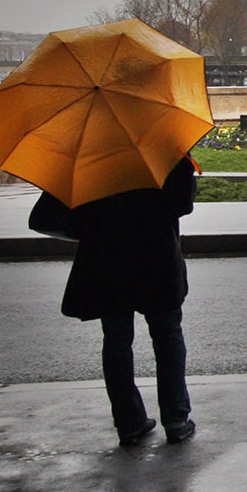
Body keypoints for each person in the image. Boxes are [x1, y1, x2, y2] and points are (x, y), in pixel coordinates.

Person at [30, 157, 200, 447]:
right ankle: (176, 418)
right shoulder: (159, 146)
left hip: (107, 260)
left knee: (117, 341)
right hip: (155, 257)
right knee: (167, 334)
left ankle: (128, 421)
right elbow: (182, 203)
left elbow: (58, 212)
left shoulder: (89, 153)